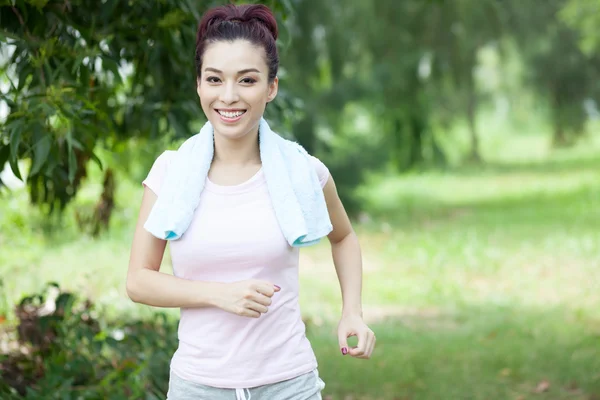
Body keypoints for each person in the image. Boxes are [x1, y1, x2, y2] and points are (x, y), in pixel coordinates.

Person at [126, 3, 375, 399]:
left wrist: (352, 312)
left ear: (271, 87)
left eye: (247, 80)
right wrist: (219, 293)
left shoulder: (302, 172)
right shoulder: (171, 173)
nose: (228, 96)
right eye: (214, 79)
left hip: (289, 384)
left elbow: (343, 238)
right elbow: (139, 280)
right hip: (197, 386)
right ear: (199, 84)